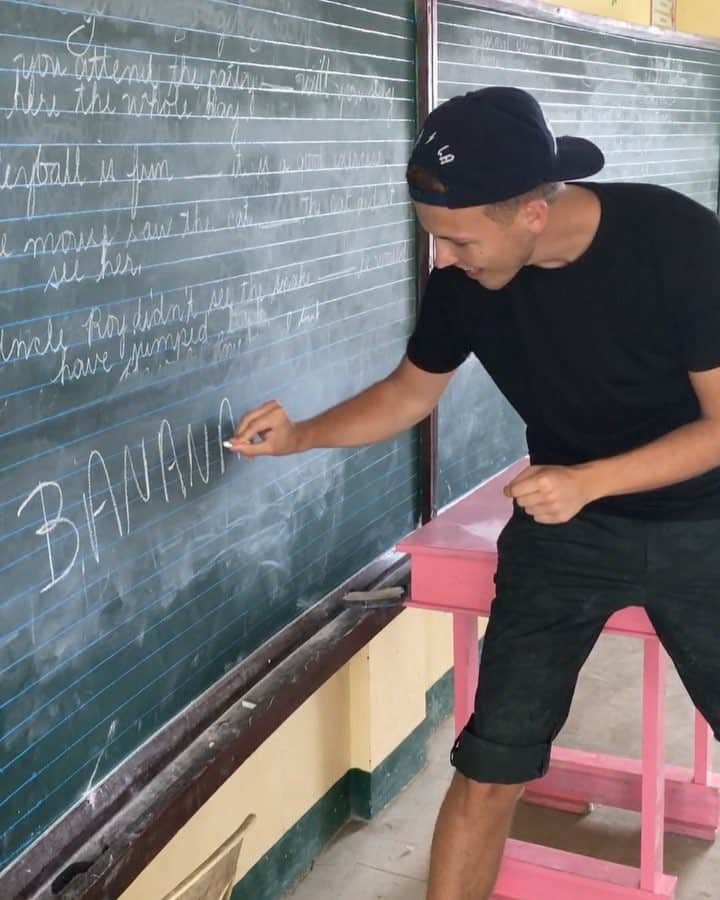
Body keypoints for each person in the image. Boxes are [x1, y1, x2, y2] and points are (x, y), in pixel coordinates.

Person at [225, 87, 720, 900]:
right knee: (490, 765)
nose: (444, 260)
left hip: (705, 519)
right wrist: (303, 432)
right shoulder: (463, 281)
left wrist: (590, 480)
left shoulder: (678, 241)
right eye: (434, 237)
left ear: (531, 212)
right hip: (562, 537)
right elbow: (408, 394)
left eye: (457, 239)